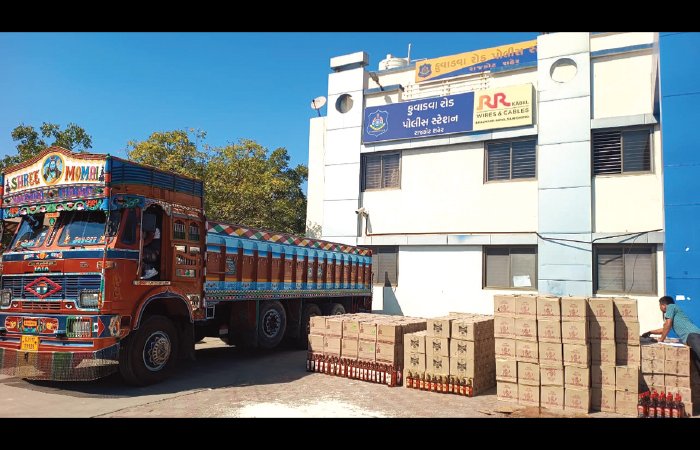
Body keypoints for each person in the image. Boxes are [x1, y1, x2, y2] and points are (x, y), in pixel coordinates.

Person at [643, 296, 700, 371]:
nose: (660, 308)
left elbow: (667, 325)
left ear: (663, 305)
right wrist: (650, 332)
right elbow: (665, 328)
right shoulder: (674, 314)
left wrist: (661, 339)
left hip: (693, 336)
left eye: (659, 305)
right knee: (697, 363)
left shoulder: (670, 307)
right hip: (692, 337)